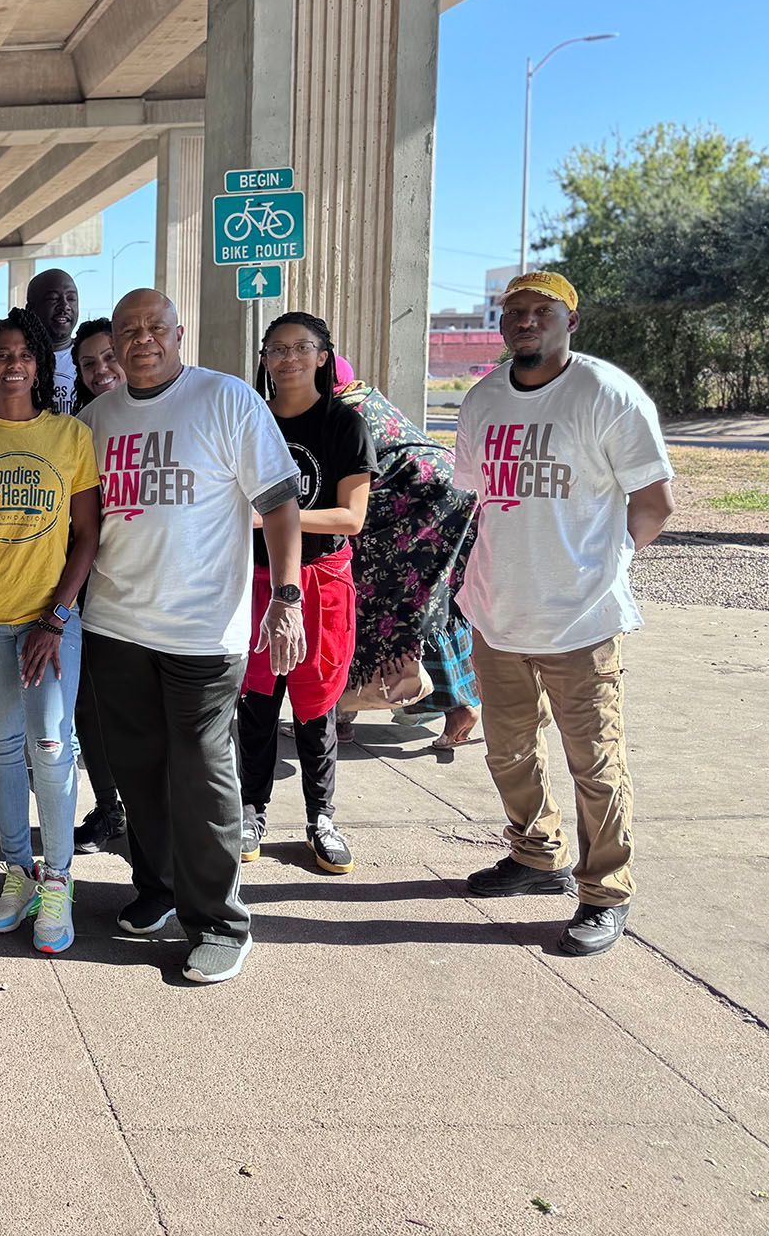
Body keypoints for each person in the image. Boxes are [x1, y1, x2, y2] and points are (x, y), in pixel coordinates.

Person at [80, 288, 304, 984]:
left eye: (155, 328)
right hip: (116, 625)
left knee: (203, 775)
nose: (142, 339)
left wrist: (287, 597)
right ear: (113, 344)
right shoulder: (93, 420)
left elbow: (278, 502)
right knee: (137, 771)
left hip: (205, 633)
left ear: (179, 333)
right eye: (129, 330)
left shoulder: (228, 400)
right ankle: (158, 890)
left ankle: (220, 920)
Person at [452, 271, 674, 957]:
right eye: (513, 311)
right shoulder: (483, 401)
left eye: (540, 311)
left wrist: (613, 563)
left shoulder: (604, 393)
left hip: (580, 620)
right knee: (508, 752)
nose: (524, 321)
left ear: (569, 323)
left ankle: (606, 892)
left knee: (595, 763)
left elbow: (654, 500)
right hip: (497, 613)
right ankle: (535, 855)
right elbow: (478, 500)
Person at [0, 310, 101, 953]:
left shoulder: (69, 436)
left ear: (39, 364)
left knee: (51, 746)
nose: (13, 364)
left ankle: (59, 880)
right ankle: (18, 873)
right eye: (0, 355)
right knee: (1, 750)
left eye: (23, 354)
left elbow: (87, 538)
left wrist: (53, 618)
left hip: (49, 621)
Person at [237, 313, 376, 873]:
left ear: (324, 356)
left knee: (316, 705)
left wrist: (275, 515)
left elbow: (351, 517)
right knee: (256, 701)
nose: (288, 358)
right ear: (265, 359)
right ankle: (251, 809)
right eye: (276, 348)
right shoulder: (253, 419)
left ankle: (321, 816)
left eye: (302, 347)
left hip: (321, 584)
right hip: (255, 580)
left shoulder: (344, 425)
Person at [331, 355, 482, 751]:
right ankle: (460, 706)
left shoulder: (338, 414)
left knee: (367, 602)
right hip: (447, 494)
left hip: (415, 505)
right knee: (433, 604)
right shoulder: (366, 397)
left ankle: (340, 714)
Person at [66, 316, 127, 853]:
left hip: (153, 592)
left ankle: (151, 810)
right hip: (93, 587)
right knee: (88, 704)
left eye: (109, 356)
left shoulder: (174, 412)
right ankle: (111, 808)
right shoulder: (81, 426)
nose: (101, 370)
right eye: (89, 364)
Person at [27, 267, 80, 405]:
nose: (65, 306)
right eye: (53, 298)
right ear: (30, 309)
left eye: (71, 298)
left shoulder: (91, 359)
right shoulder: (15, 361)